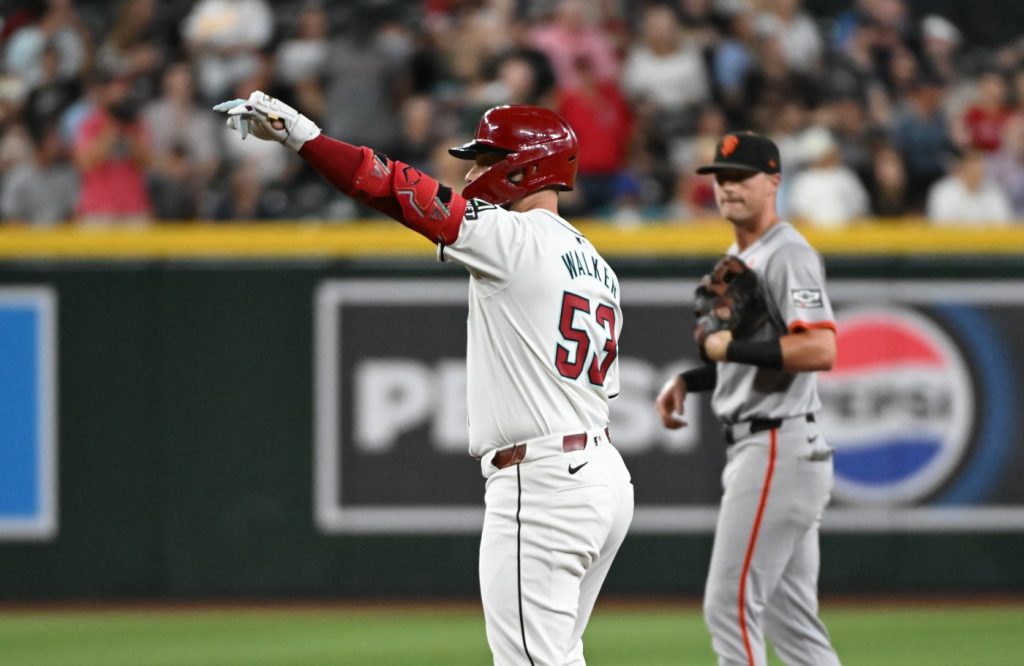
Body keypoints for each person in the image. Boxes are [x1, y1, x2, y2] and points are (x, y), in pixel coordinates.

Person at [215, 92, 634, 665]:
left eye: (487, 158)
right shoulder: (599, 268)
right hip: (602, 476)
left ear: (528, 165)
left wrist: (304, 138)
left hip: (545, 485)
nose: (472, 172)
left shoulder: (515, 241)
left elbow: (395, 188)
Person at [655, 131, 841, 666]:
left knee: (728, 606)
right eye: (720, 178)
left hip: (776, 446)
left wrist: (729, 344)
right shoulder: (742, 256)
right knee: (794, 627)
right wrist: (692, 381)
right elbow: (749, 358)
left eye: (741, 177)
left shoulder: (787, 254)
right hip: (775, 446)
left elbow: (820, 348)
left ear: (774, 181)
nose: (728, 188)